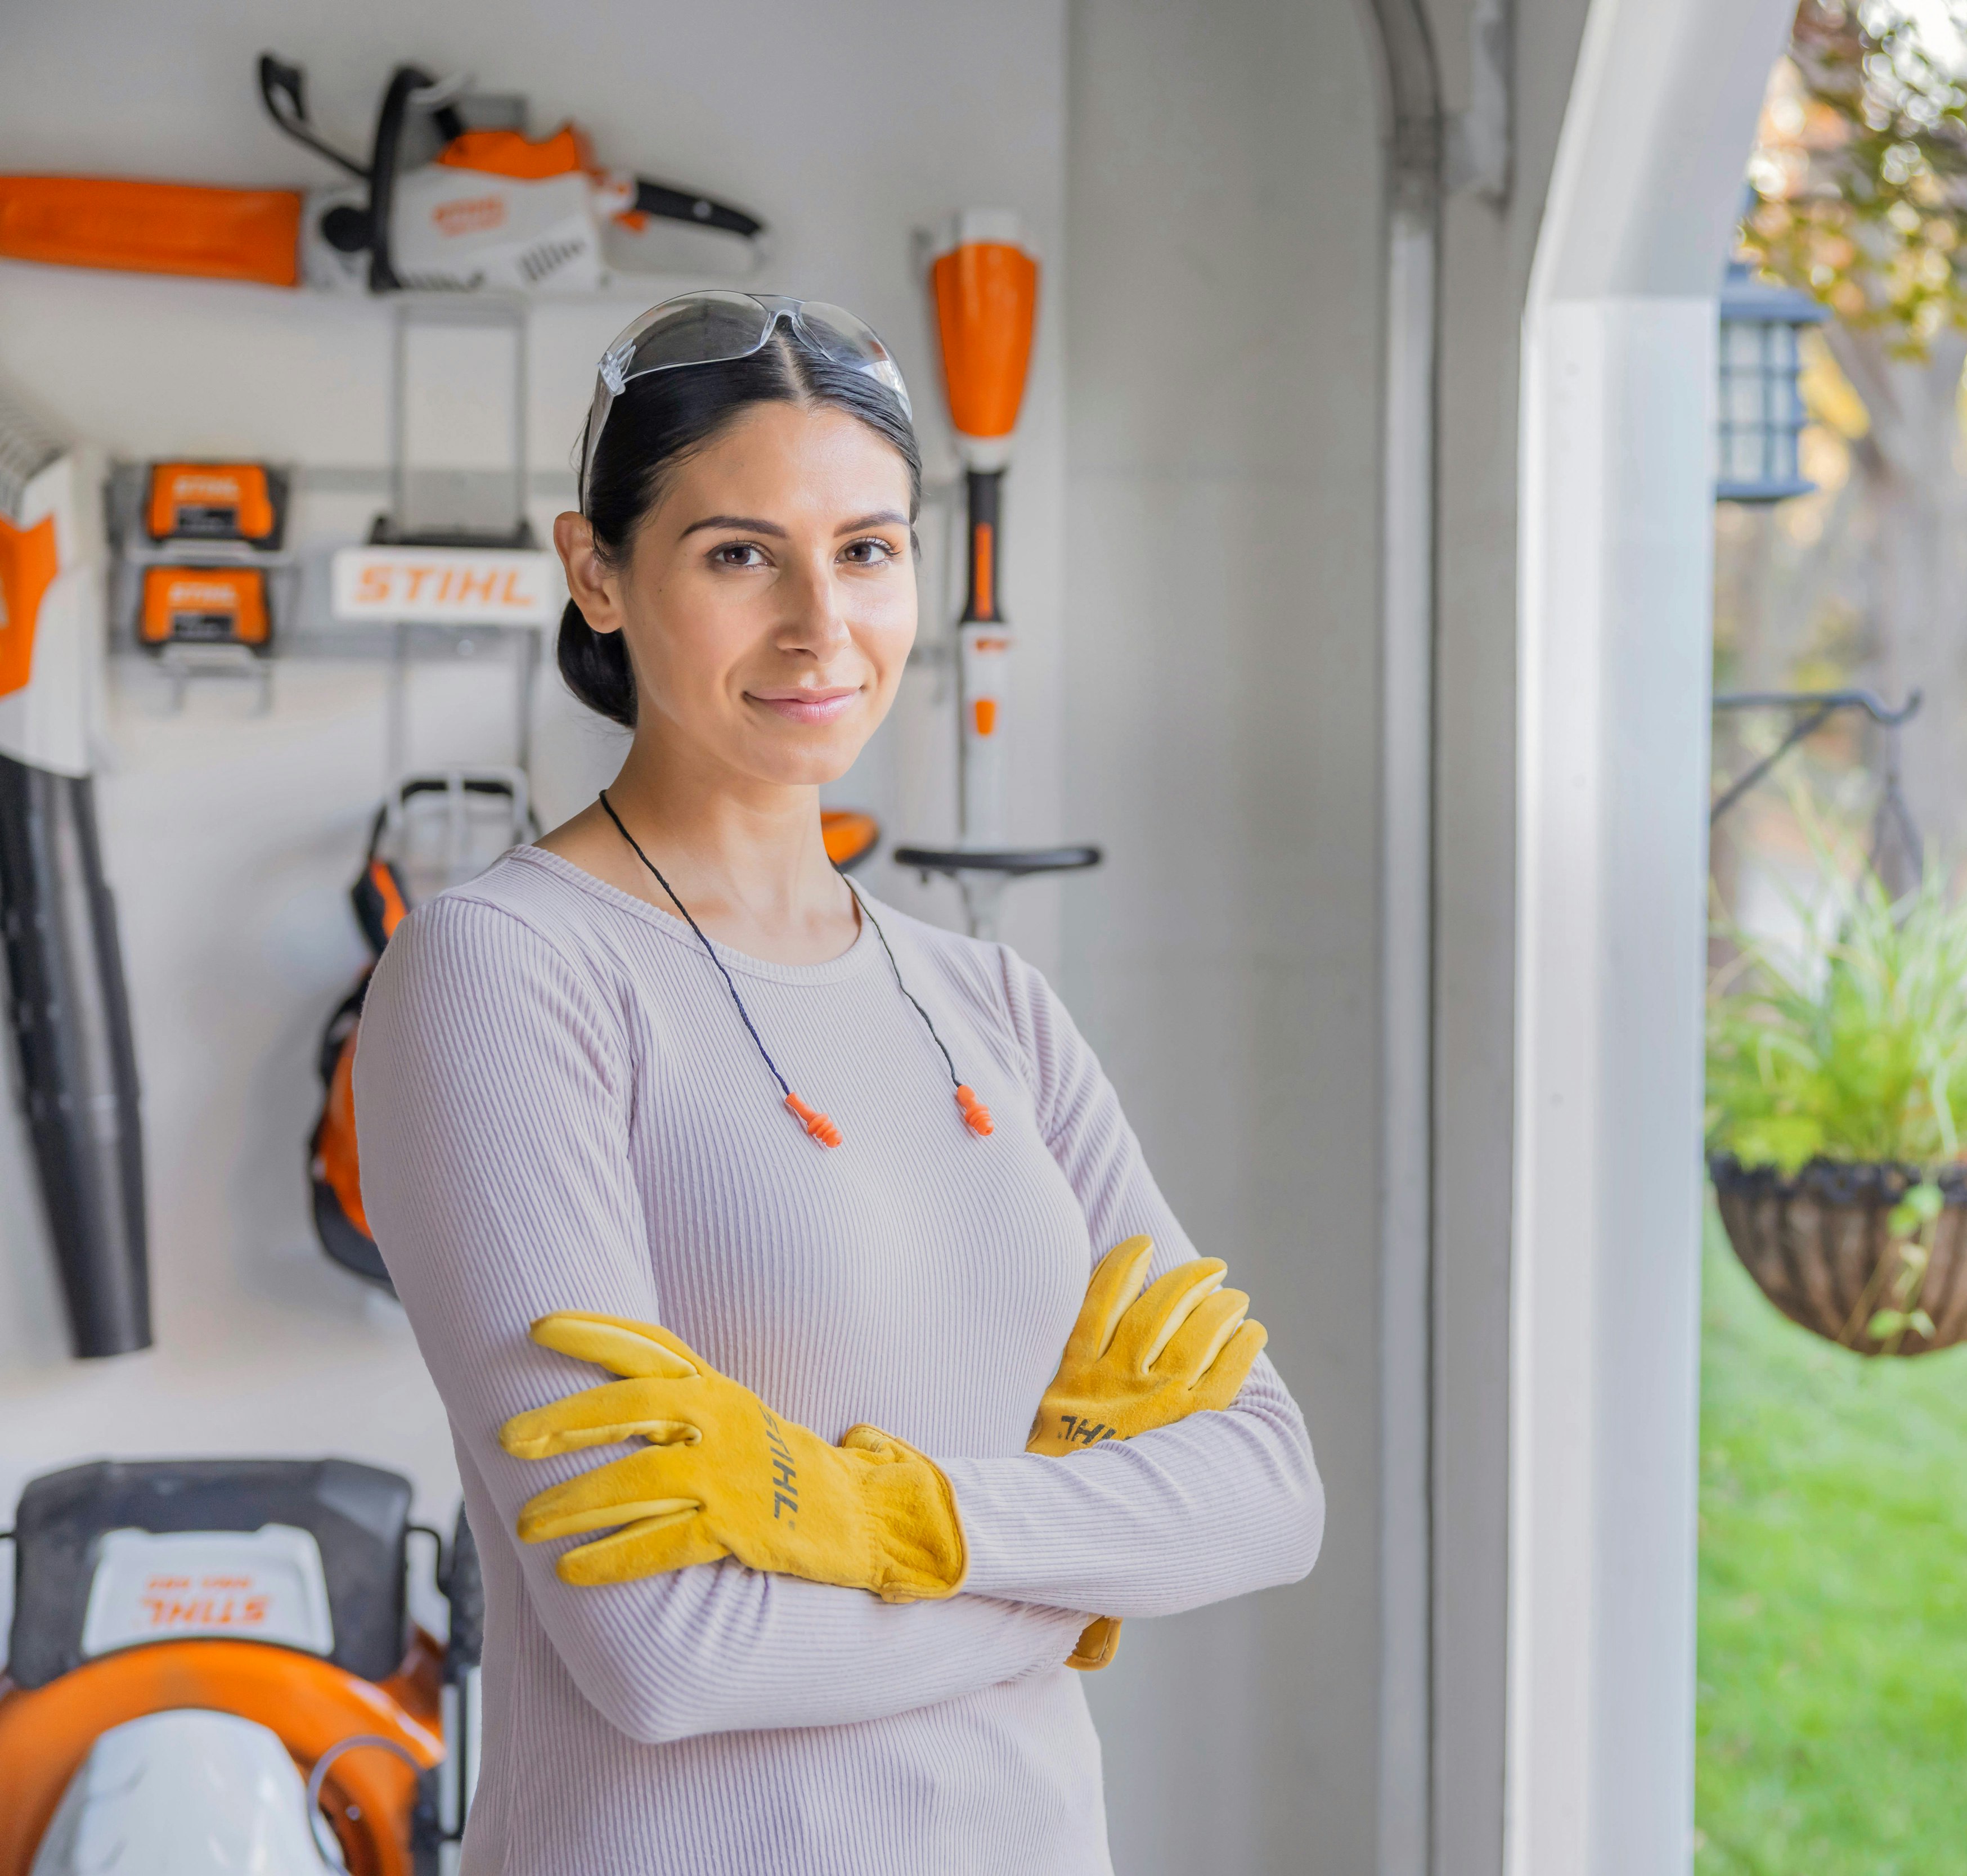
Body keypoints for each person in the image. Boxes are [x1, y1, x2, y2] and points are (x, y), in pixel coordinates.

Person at [355, 292, 1323, 1875]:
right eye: (741, 554)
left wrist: (894, 1525)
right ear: (596, 571)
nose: (822, 625)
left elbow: (1271, 1493)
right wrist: (1086, 1561)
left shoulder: (988, 1000)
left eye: (868, 551)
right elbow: (667, 1652)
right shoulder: (506, 975)